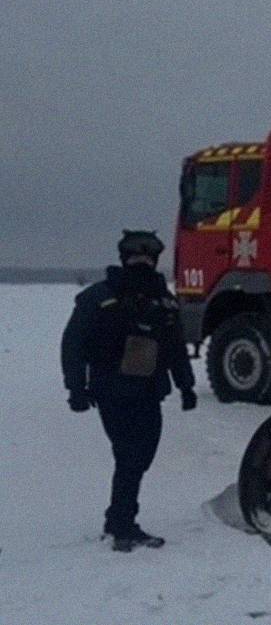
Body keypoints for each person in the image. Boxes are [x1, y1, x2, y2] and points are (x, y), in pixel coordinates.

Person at [61, 230, 197, 552]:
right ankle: (122, 523)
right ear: (124, 259)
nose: (141, 263)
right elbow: (73, 344)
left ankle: (119, 517)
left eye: (146, 257)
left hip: (149, 391)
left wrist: (186, 385)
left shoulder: (164, 302)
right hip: (111, 390)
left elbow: (176, 347)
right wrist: (76, 387)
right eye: (135, 257)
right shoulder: (98, 297)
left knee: (142, 455)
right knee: (129, 455)